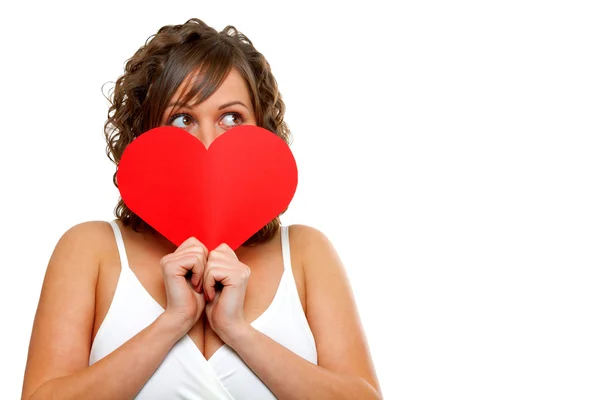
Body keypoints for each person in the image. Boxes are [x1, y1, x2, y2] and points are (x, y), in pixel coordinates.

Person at [21, 18, 382, 399]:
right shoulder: (89, 248)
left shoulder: (307, 252)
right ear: (144, 134)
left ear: (262, 127)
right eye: (182, 119)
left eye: (231, 117)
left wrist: (237, 330)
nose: (208, 141)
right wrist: (172, 322)